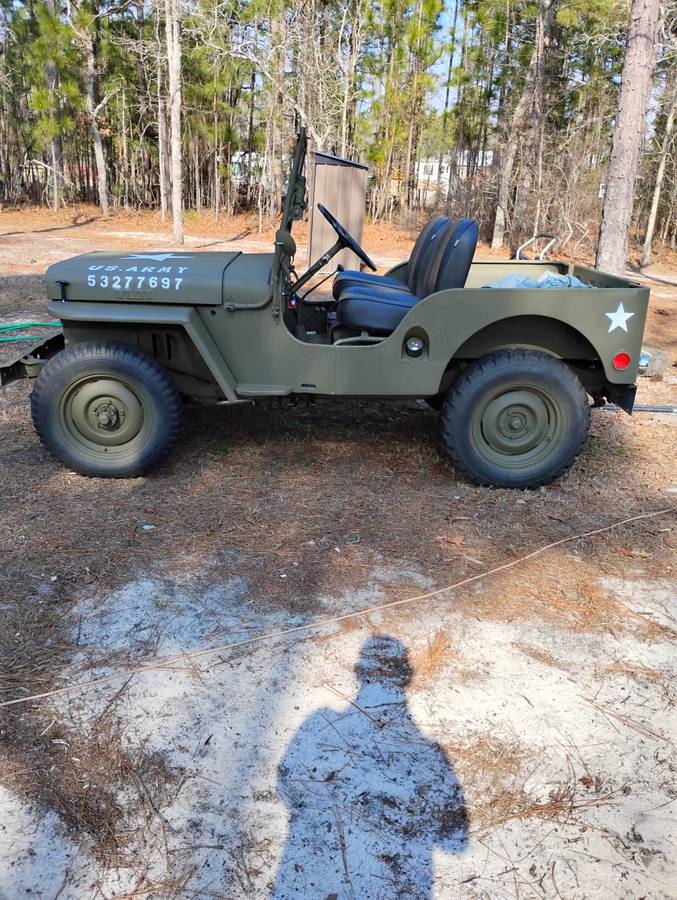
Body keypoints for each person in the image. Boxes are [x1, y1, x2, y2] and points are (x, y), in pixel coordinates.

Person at [272, 634, 468, 898]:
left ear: (359, 672)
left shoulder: (321, 725)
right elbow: (455, 840)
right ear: (405, 675)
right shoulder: (427, 752)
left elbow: (289, 790)